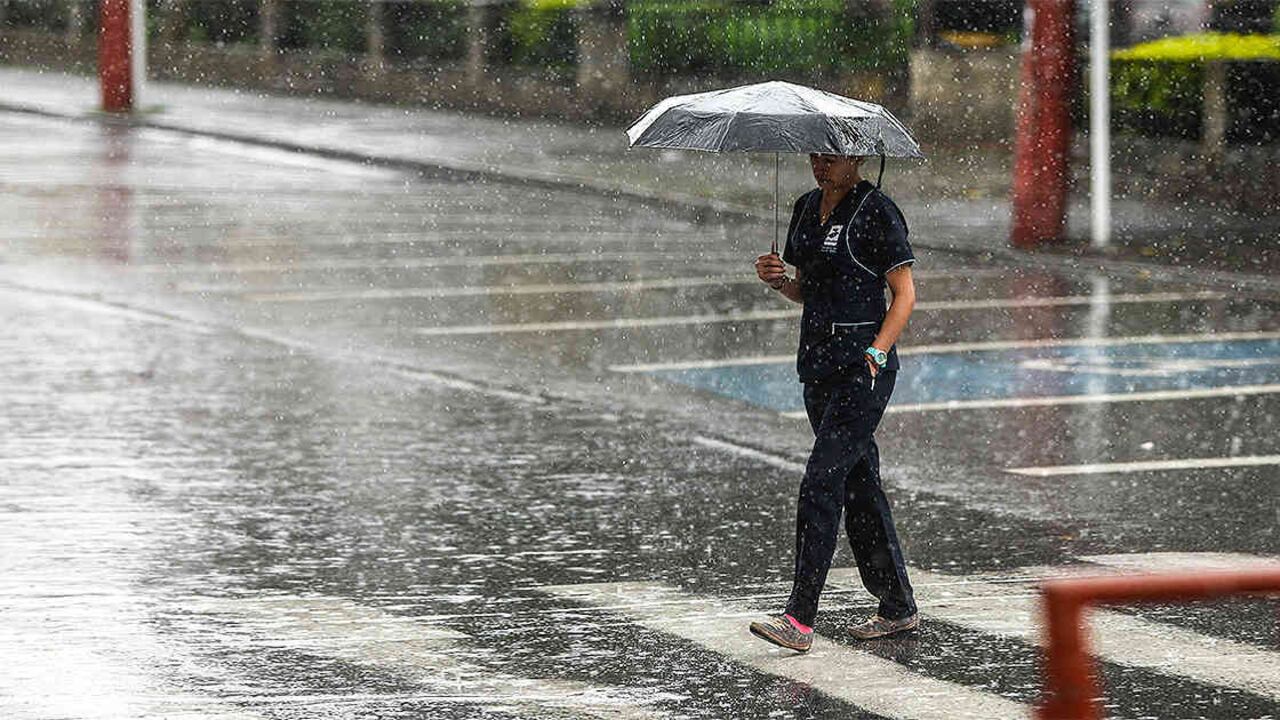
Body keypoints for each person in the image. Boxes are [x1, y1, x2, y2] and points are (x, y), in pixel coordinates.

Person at [748, 153, 919, 653]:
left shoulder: (876, 209)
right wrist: (779, 280)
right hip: (817, 366)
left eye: (832, 158)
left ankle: (799, 618)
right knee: (860, 485)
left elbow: (904, 294)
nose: (821, 166)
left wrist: (877, 351)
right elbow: (811, 290)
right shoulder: (804, 207)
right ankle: (897, 605)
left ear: (858, 156)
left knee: (821, 482)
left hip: (862, 371)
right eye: (815, 157)